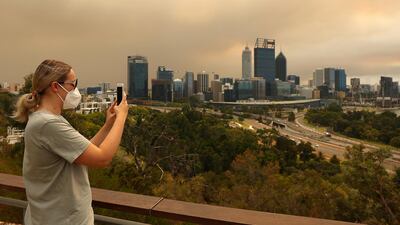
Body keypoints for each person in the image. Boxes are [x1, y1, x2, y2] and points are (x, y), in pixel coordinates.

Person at [14, 59, 129, 225]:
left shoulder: (47, 119)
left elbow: (83, 152)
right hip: (62, 219)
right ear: (55, 86)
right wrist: (122, 118)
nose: (75, 90)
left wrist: (108, 125)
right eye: (73, 84)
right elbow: (103, 158)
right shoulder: (48, 124)